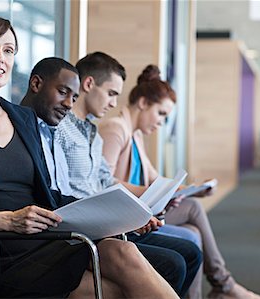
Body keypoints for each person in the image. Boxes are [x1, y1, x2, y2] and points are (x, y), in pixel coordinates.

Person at [0, 17, 179, 299]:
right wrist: (6, 221)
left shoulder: (23, 118)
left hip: (47, 242)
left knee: (121, 249)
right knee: (118, 287)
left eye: (9, 50)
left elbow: (48, 197)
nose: (0, 57)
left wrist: (122, 215)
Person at [20, 56, 200, 296]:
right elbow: (63, 192)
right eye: (111, 93)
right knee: (176, 261)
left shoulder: (92, 131)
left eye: (70, 97)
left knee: (187, 251)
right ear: (89, 84)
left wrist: (143, 206)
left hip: (101, 221)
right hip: (85, 225)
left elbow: (106, 180)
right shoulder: (58, 128)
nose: (114, 103)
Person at [98, 64, 260, 299]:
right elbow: (104, 184)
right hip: (125, 217)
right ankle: (223, 286)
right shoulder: (115, 129)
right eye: (161, 114)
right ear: (143, 103)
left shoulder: (134, 135)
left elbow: (155, 179)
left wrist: (192, 190)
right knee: (192, 233)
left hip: (142, 210)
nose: (161, 123)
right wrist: (152, 193)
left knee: (193, 221)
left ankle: (220, 285)